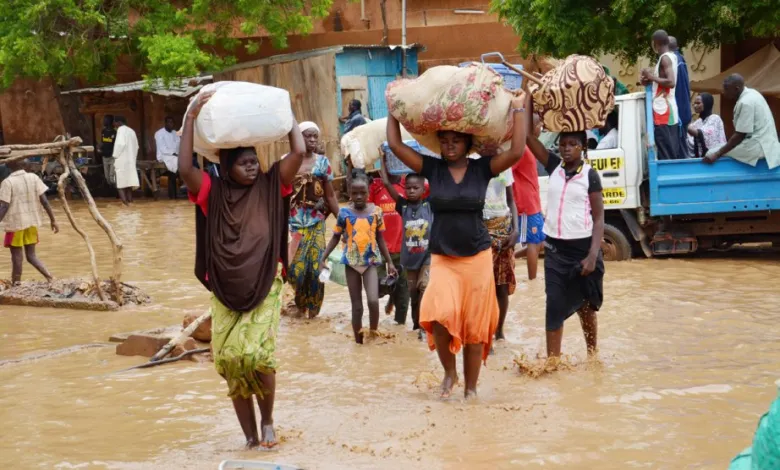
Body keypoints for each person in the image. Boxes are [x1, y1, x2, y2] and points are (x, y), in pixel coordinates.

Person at [180, 91, 306, 450]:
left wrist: (288, 115)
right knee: (230, 361)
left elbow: (297, 153)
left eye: (255, 160)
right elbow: (185, 169)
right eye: (244, 162)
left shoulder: (271, 185)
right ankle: (249, 438)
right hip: (225, 288)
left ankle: (267, 422)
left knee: (258, 356)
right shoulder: (211, 191)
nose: (252, 166)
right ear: (226, 167)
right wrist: (190, 118)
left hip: (265, 281)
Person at [386, 90, 528, 399]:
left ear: (467, 143)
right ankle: (450, 374)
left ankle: (472, 389)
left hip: (477, 257)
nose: (450, 146)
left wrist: (518, 110)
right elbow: (395, 145)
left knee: (475, 328)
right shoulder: (432, 169)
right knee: (438, 315)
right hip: (443, 258)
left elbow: (517, 151)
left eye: (456, 141)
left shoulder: (482, 169)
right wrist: (394, 110)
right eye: (445, 141)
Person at [526, 128, 605, 359]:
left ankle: (592, 355)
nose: (566, 148)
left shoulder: (590, 176)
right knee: (554, 305)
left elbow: (599, 218)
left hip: (582, 252)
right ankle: (553, 363)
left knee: (586, 306)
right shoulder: (554, 167)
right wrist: (526, 97)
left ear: (583, 148)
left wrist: (592, 256)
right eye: (563, 144)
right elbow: (530, 138)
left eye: (572, 144)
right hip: (555, 252)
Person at [321, 171, 397, 344]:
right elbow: (335, 237)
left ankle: (373, 334)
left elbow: (380, 239)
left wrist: (390, 263)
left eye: (362, 192)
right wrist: (323, 258)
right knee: (357, 307)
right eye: (355, 193)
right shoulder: (344, 214)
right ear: (349, 192)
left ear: (368, 192)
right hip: (351, 264)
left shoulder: (376, 212)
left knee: (373, 301)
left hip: (370, 263)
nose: (359, 196)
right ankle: (358, 342)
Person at [286, 121, 340, 319]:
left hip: (316, 223)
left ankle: (314, 315)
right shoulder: (287, 161)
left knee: (316, 270)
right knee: (295, 271)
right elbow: (279, 196)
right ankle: (300, 303)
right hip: (294, 226)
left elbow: (331, 196)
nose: (312, 140)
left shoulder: (323, 163)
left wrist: (343, 221)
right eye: (307, 136)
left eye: (315, 136)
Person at [378, 155, 433, 340]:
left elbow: (436, 181)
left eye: (415, 188)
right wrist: (382, 159)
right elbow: (386, 183)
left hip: (426, 258)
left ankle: (425, 328)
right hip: (409, 262)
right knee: (414, 297)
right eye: (408, 188)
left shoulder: (429, 205)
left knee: (424, 288)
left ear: (423, 189)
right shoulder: (403, 207)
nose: (410, 191)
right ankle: (417, 325)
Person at [0, 159, 59, 284]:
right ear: (23, 166)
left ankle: (16, 284)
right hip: (31, 222)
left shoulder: (8, 182)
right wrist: (53, 220)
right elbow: (44, 201)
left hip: (15, 224)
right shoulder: (33, 178)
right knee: (31, 256)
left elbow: (4, 206)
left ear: (10, 167)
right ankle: (50, 277)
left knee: (17, 257)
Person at [704, 74, 780, 169]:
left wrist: (717, 154)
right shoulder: (753, 93)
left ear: (736, 89)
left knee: (711, 152)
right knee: (720, 147)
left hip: (757, 147)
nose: (723, 92)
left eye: (726, 89)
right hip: (768, 145)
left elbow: (739, 135)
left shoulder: (746, 102)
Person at [481, 160, 518, 343]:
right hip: (482, 229)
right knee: (484, 287)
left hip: (505, 229)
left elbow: (511, 200)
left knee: (502, 287)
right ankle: (486, 334)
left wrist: (516, 230)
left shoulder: (506, 165)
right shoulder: (474, 164)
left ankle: (499, 331)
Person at [368, 161, 409, 324]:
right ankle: (390, 292)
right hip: (379, 247)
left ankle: (400, 326)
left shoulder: (408, 184)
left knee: (403, 293)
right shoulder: (375, 186)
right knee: (377, 286)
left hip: (402, 247)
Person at [641, 30, 685, 160]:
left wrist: (651, 77)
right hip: (667, 112)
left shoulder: (665, 58)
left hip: (663, 113)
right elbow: (661, 81)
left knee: (666, 153)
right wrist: (649, 79)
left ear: (656, 43)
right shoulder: (671, 56)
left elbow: (671, 82)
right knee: (669, 150)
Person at [512, 114, 545, 280]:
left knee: (539, 241)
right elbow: (508, 171)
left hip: (534, 203)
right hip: (526, 204)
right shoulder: (522, 149)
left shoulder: (530, 147)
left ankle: (512, 257)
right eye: (539, 125)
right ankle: (533, 280)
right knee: (533, 243)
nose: (542, 128)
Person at [687, 93, 727, 159]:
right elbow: (688, 136)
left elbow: (703, 133)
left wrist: (684, 126)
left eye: (698, 103)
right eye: (694, 103)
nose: (695, 106)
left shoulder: (715, 118)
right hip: (701, 160)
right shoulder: (698, 122)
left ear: (707, 104)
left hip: (716, 159)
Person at [112, 116, 140, 205]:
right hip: (131, 161)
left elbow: (120, 144)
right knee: (128, 184)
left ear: (119, 122)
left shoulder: (121, 130)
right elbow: (137, 146)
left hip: (121, 160)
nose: (114, 125)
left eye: (115, 123)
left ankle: (124, 204)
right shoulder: (132, 131)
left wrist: (114, 156)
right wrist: (133, 158)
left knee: (120, 184)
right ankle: (130, 202)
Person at [669, 36, 693, 137]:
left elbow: (677, 87)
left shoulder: (674, 61)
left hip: (679, 115)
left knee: (680, 150)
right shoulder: (679, 59)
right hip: (682, 113)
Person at [155, 116, 181, 199]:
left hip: (174, 154)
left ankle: (174, 194)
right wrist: (173, 153)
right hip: (164, 155)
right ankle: (173, 195)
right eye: (169, 122)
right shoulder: (159, 133)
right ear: (165, 123)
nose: (171, 124)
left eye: (172, 122)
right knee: (175, 165)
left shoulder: (175, 133)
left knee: (181, 162)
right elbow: (162, 148)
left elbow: (178, 144)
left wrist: (176, 153)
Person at [99, 115, 117, 186]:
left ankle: (118, 192)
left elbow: (116, 144)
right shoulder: (103, 131)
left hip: (112, 157)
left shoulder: (115, 132)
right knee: (107, 177)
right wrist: (99, 148)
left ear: (110, 121)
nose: (103, 121)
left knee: (112, 176)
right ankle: (113, 192)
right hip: (104, 156)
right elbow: (102, 142)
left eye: (105, 120)